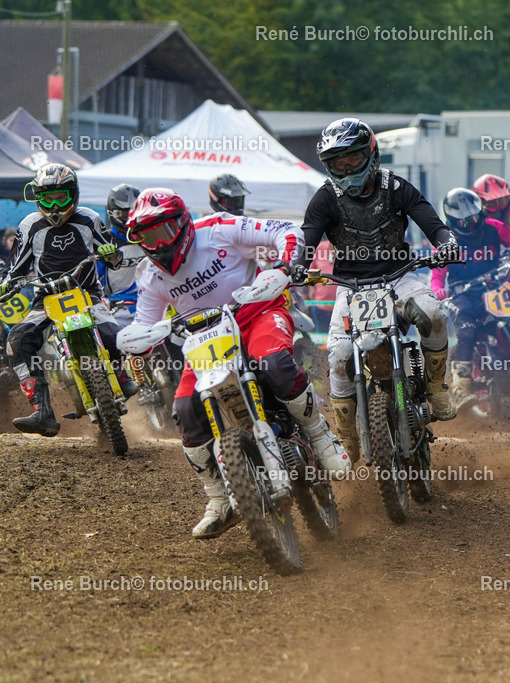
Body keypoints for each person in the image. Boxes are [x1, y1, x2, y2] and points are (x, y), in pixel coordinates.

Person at [119, 188, 350, 539]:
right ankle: (220, 499)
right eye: (146, 237)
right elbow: (144, 323)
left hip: (256, 313)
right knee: (185, 410)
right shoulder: (150, 274)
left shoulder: (220, 229)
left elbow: (284, 232)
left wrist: (283, 267)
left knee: (274, 364)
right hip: (204, 338)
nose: (157, 244)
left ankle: (320, 436)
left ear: (181, 224)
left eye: (163, 232)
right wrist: (136, 341)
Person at [296, 118, 461, 463]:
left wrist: (446, 243)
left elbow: (432, 223)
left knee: (433, 315)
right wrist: (297, 266)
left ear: (371, 154)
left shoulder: (397, 188)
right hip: (350, 286)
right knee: (339, 359)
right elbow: (307, 238)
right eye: (338, 164)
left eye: (352, 159)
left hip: (398, 276)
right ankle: (345, 435)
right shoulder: (325, 198)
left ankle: (435, 386)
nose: (347, 169)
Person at [0, 164, 131, 435]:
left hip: (88, 293)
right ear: (37, 198)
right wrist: (6, 284)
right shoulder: (30, 225)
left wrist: (110, 253)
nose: (54, 205)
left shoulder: (90, 218)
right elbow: (16, 266)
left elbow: (116, 258)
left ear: (73, 194)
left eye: (60, 197)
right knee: (16, 343)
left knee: (114, 334)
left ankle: (121, 376)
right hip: (46, 298)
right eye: (47, 199)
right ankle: (42, 410)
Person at [431, 187, 510, 409]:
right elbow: (437, 274)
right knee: (467, 332)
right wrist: (438, 289)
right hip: (463, 295)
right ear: (452, 221)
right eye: (465, 222)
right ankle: (461, 390)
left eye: (475, 217)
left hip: (495, 288)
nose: (472, 224)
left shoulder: (494, 227)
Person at [100, 184, 145, 325]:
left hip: (150, 301)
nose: (128, 218)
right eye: (122, 214)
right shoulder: (103, 241)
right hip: (116, 307)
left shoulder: (149, 236)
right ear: (112, 213)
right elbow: (92, 278)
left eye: (132, 213)